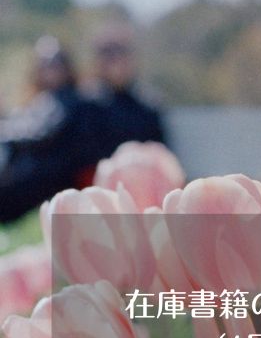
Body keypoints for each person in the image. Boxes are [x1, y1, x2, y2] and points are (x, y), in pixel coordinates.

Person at [0, 37, 101, 223]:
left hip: (45, 185)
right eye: (44, 64)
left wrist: (6, 133)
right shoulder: (41, 100)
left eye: (55, 63)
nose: (49, 69)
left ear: (67, 67)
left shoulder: (70, 100)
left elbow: (39, 133)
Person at [85, 23, 169, 157]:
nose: (114, 58)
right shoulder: (83, 104)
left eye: (120, 51)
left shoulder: (149, 105)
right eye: (107, 52)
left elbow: (161, 154)